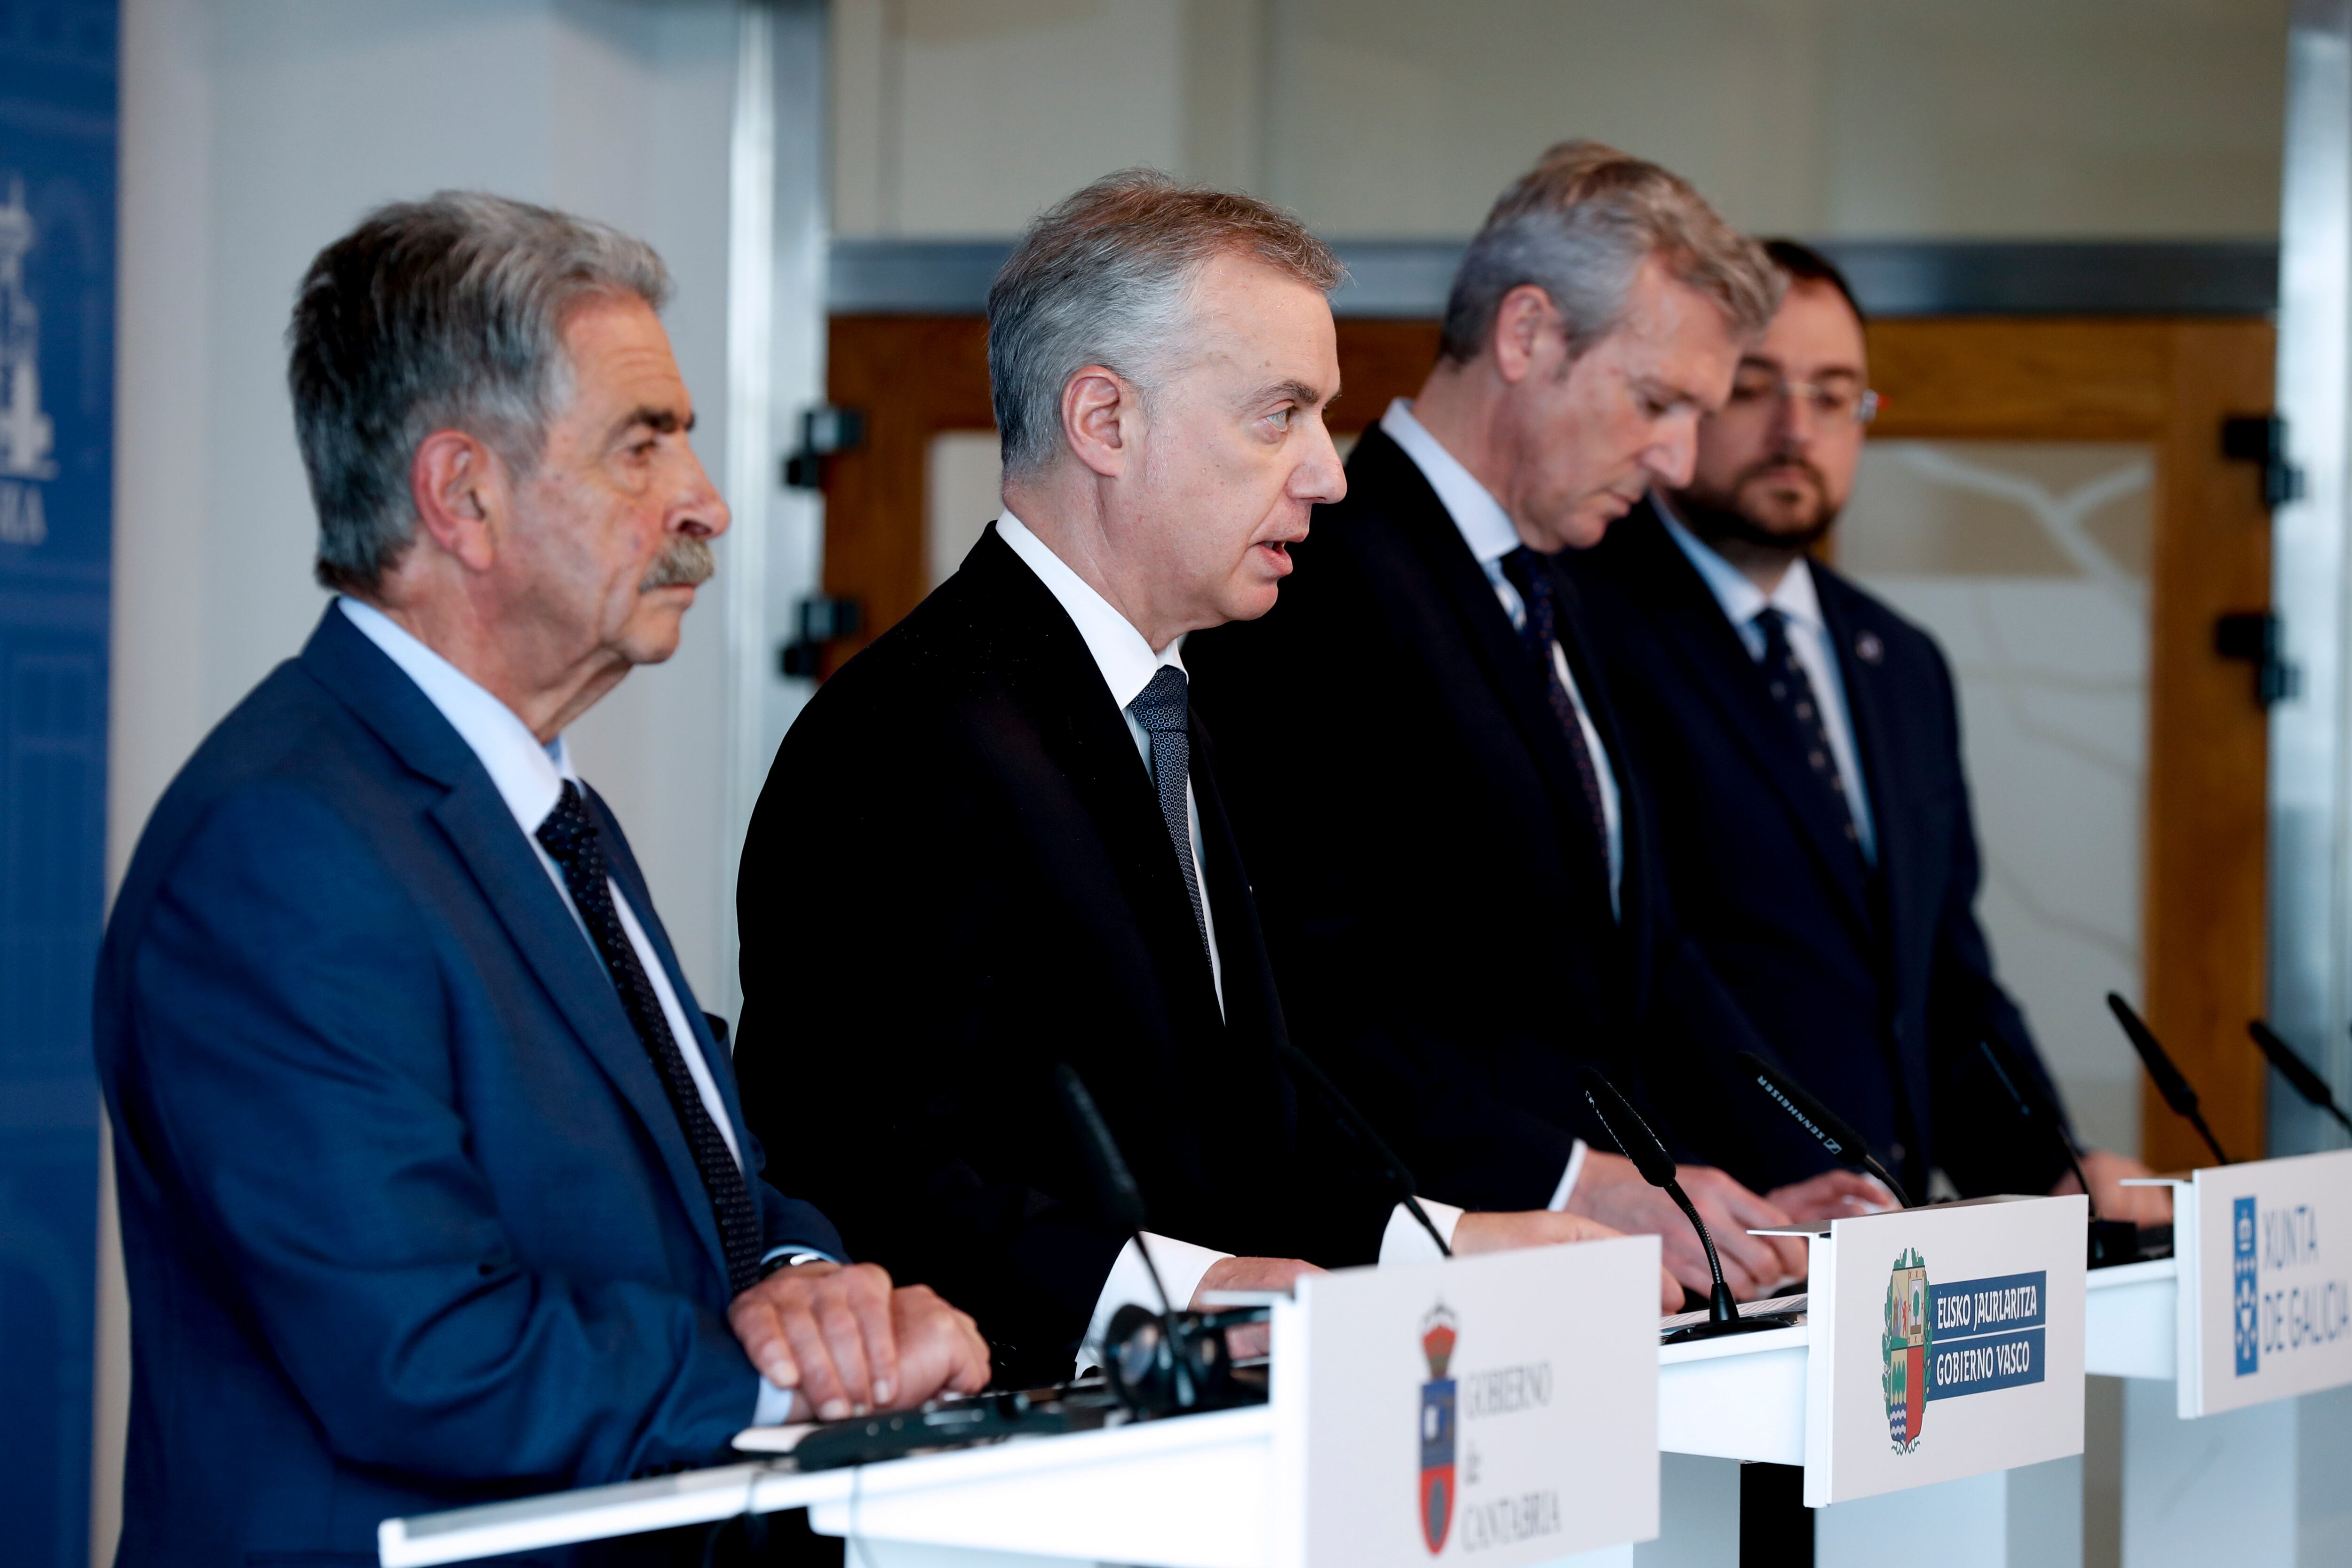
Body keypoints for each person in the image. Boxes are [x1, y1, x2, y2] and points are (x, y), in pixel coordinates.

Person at [93, 193, 988, 1567]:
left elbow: (697, 1168)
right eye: (644, 444)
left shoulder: (538, 802)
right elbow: (424, 1344)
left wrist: (811, 1283)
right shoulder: (279, 849)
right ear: (463, 495)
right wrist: (794, 1374)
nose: (706, 502)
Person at [734, 172, 1672, 1386]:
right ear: (1105, 421)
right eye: (1277, 414)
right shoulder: (909, 733)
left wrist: (1446, 1241)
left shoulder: (1175, 704)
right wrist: (1191, 1290)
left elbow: (1234, 1123)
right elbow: (860, 1162)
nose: (1328, 474)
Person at [1188, 144, 1889, 1309]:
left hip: (1592, 1280)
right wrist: (1577, 1179)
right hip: (1407, 1296)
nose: (1674, 460)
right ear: (1527, 338)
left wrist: (1769, 1182)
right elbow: (1310, 1003)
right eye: (1657, 402)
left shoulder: (1556, 585)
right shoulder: (1321, 582)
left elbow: (1630, 965)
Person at [1579, 239, 2166, 1217]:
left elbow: (1939, 971)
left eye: (1834, 393)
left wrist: (2052, 1168)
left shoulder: (1900, 661)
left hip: (1882, 1243)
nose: (1794, 428)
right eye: (1752, 385)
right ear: (1684, 398)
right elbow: (1644, 971)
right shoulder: (1585, 627)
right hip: (1694, 1238)